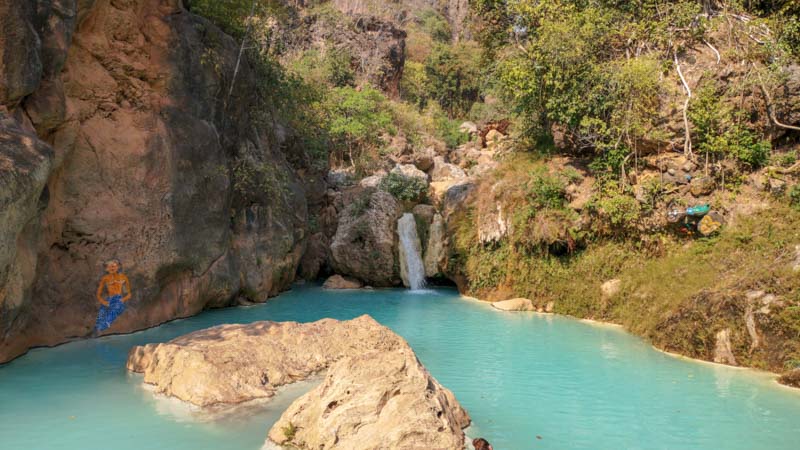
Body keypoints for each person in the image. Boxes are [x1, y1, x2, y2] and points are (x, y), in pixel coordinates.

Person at [94, 259, 131, 333]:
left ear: (118, 267)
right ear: (106, 269)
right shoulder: (105, 278)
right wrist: (103, 301)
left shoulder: (123, 278)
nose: (112, 268)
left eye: (113, 266)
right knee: (101, 313)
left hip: (118, 299)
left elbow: (129, 294)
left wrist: (122, 300)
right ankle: (95, 331)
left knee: (111, 313)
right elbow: (98, 294)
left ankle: (102, 327)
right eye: (109, 266)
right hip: (109, 299)